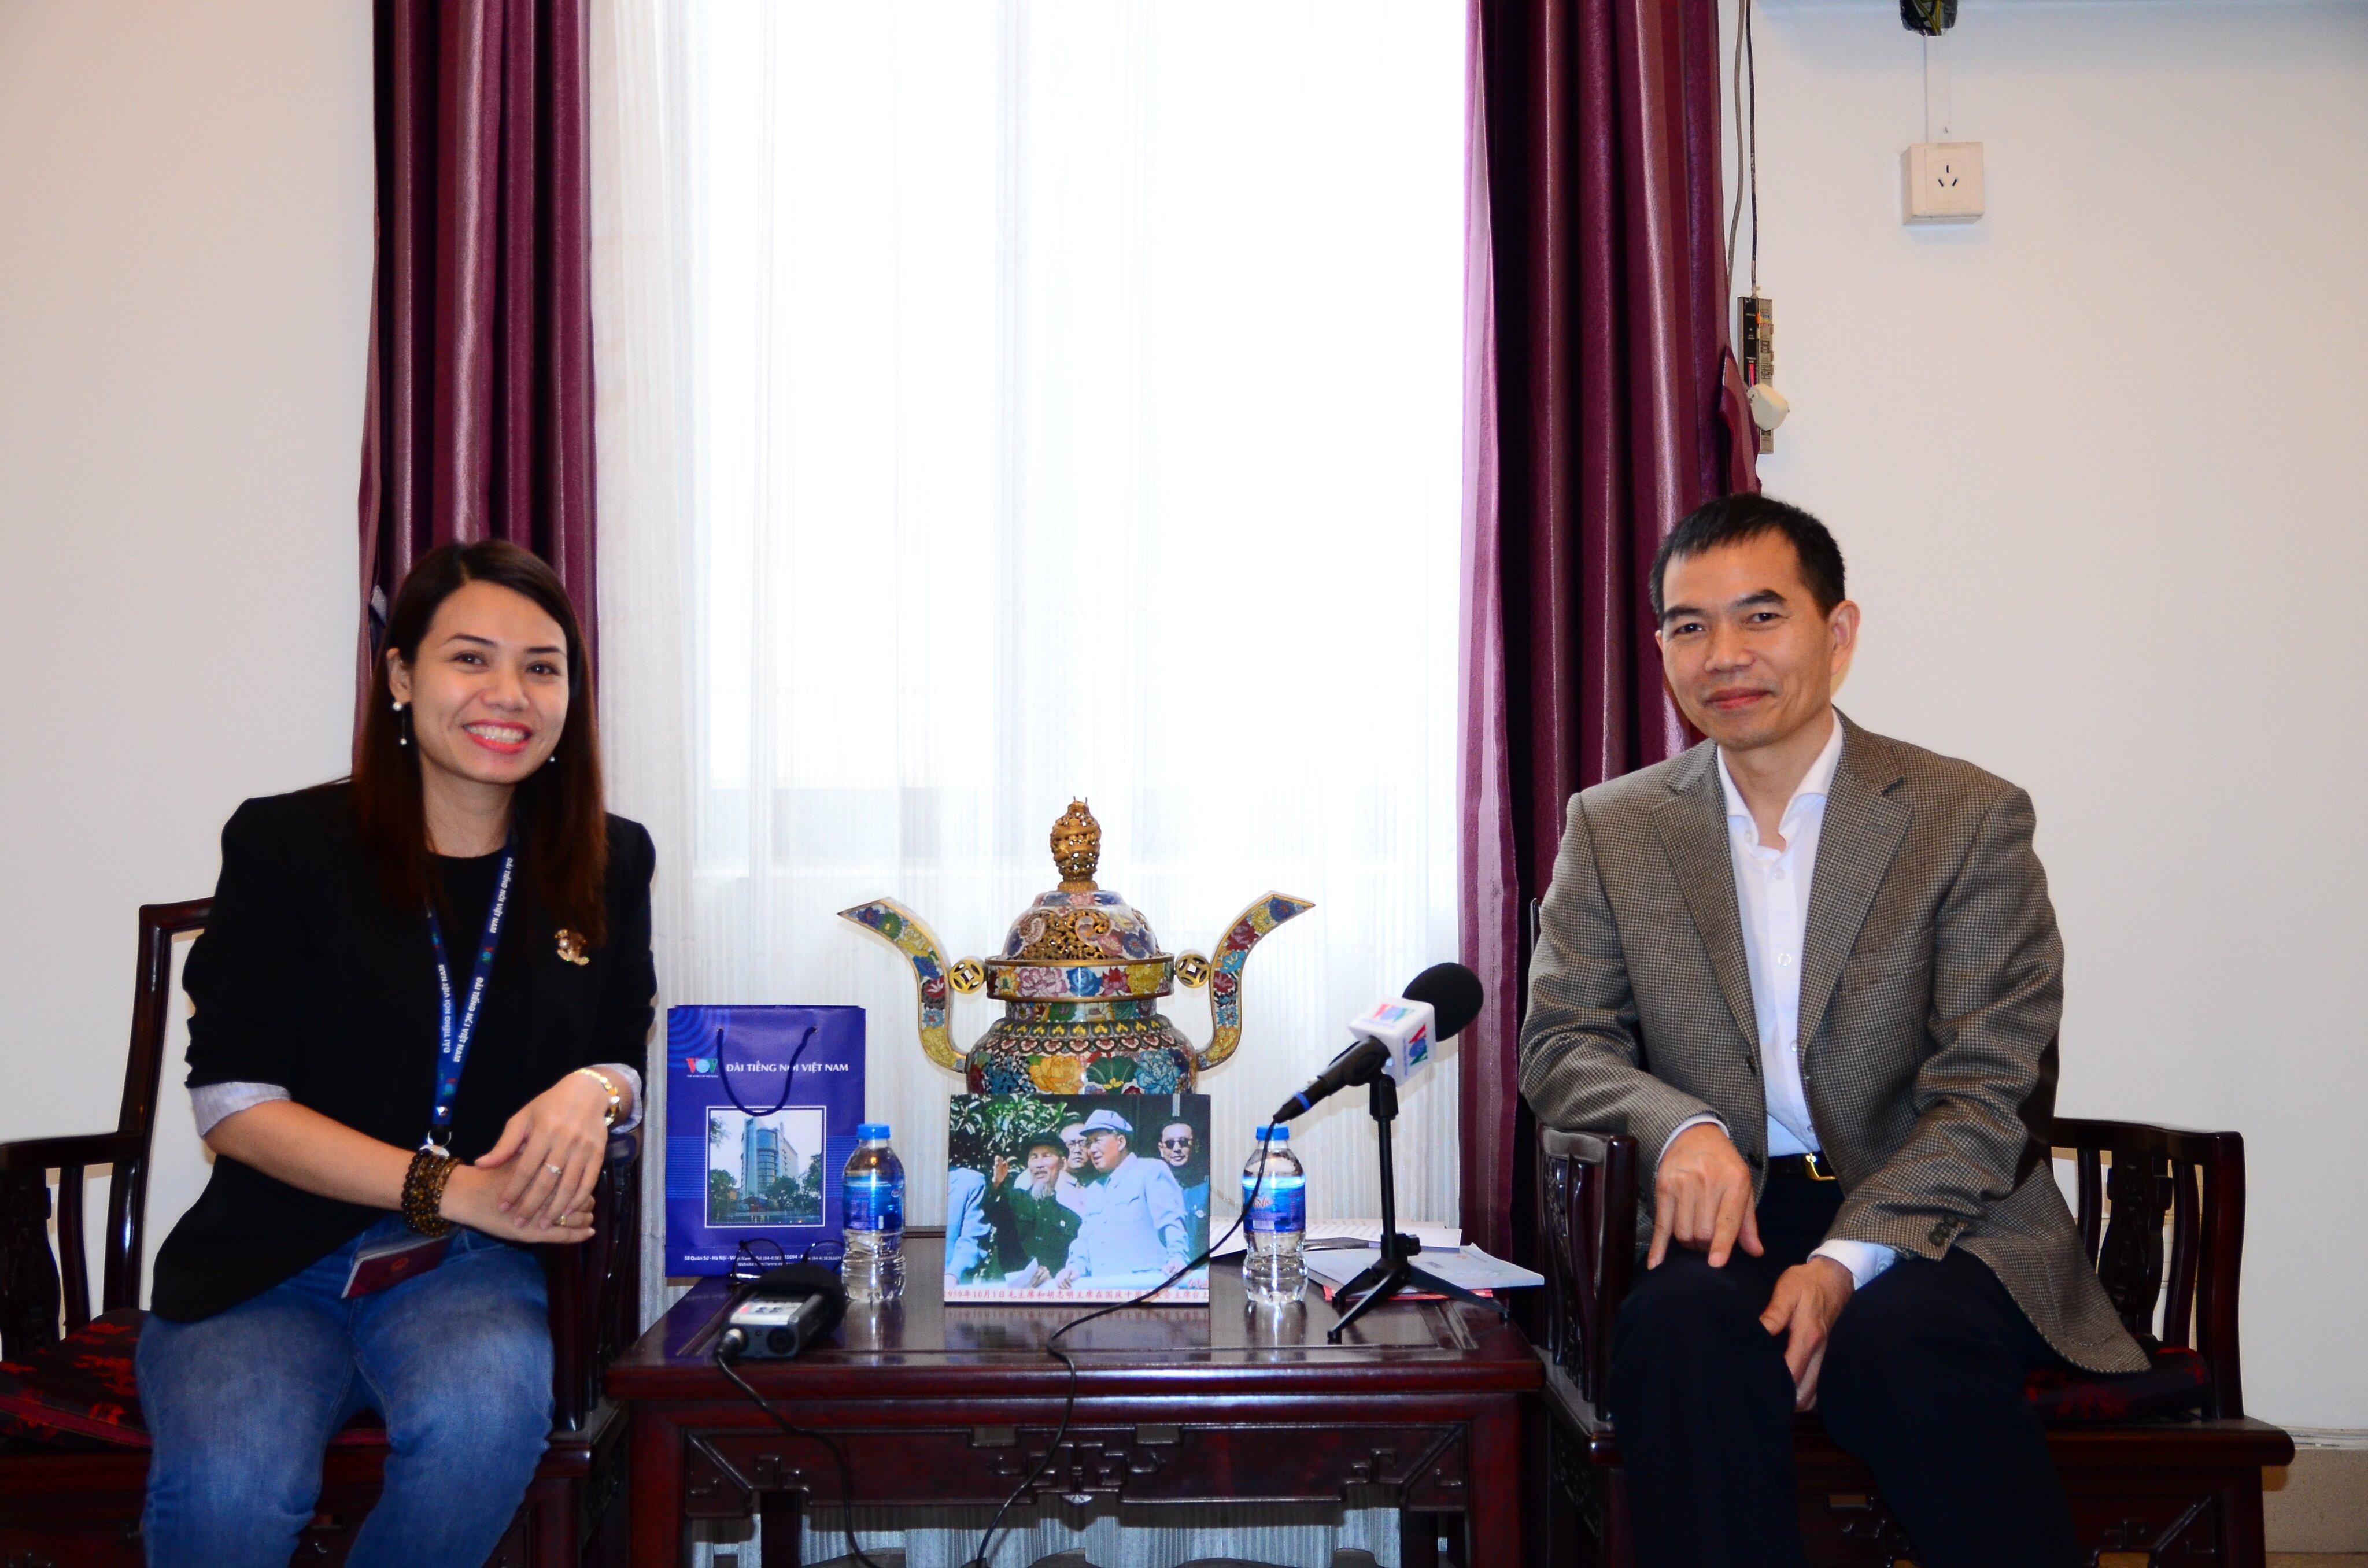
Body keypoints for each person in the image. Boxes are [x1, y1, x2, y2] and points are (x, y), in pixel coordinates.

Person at [1519, 495, 2146, 1568]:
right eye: (1688, 625)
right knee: (1677, 1334)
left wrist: (1847, 1261)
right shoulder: (1612, 826)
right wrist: (1679, 1129)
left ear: (1837, 632)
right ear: (1661, 648)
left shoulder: (1964, 816)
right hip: (1732, 1217)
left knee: (1894, 1346)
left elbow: (1990, 1086)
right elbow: (1561, 1042)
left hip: (1944, 1216)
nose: (1724, 655)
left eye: (1761, 616)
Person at [138, 541, 656, 1568]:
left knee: (482, 1426)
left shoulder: (607, 856)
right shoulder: (286, 843)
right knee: (236, 1491)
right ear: (402, 676)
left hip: (464, 1268)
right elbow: (233, 1102)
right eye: (470, 658)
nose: (509, 693)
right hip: (269, 1262)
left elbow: (620, 1048)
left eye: (542, 666)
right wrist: (454, 1189)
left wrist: (594, 1089)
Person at [1056, 1109, 1190, 1286]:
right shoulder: (1094, 1189)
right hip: (1103, 1290)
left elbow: (1171, 1223)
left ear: (1120, 1142)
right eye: (1089, 1143)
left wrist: (1178, 1258)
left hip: (1148, 1287)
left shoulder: (1151, 1171)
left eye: (1097, 1141)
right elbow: (1084, 1240)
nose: (1092, 1150)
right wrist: (1074, 1267)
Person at [982, 1133, 1082, 1284]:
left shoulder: (1072, 1221)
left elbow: (1070, 1265)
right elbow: (990, 1209)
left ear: (1062, 1163)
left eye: (1046, 1156)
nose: (1039, 1164)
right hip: (1004, 1290)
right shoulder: (1012, 1199)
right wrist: (997, 1184)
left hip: (1047, 1293)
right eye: (1034, 1157)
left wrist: (1052, 1276)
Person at [1158, 1120, 1210, 1247]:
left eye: (1184, 1142)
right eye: (1170, 1144)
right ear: (1161, 1149)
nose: (1177, 1149)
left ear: (1196, 1146)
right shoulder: (1151, 1187)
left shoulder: (1208, 1188)